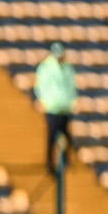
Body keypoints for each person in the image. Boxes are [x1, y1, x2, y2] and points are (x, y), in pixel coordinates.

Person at [34, 41, 78, 175]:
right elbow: (41, 86)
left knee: (67, 136)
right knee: (52, 136)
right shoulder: (46, 68)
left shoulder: (68, 68)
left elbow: (72, 86)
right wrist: (44, 102)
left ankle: (65, 159)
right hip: (52, 108)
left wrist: (72, 102)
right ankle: (49, 162)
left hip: (64, 107)